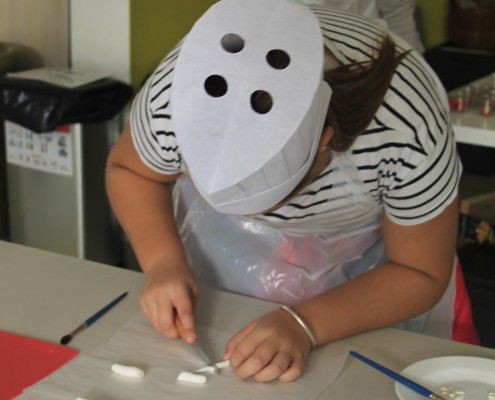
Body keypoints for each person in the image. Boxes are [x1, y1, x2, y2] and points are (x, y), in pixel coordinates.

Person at [106, 0, 478, 384]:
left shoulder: (406, 126)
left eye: (268, 200)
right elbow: (131, 171)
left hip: (377, 265)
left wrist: (306, 323)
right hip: (224, 249)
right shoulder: (177, 92)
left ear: (324, 142)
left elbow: (418, 270)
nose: (251, 217)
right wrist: (164, 261)